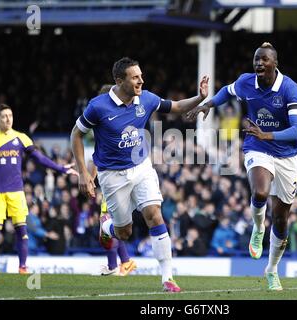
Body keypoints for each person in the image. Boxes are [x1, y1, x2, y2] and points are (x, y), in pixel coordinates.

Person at [71, 57, 208, 292]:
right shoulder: (98, 106)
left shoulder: (146, 98)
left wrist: (200, 98)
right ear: (119, 80)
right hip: (112, 175)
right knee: (124, 233)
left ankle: (168, 278)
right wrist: (83, 173)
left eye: (141, 76)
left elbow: (175, 107)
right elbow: (76, 134)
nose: (141, 81)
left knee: (154, 214)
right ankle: (107, 228)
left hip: (141, 166)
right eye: (135, 77)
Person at [187, 42, 297, 290]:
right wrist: (208, 104)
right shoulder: (245, 82)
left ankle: (272, 269)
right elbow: (227, 92)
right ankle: (258, 227)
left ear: (275, 63)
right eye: (256, 59)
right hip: (257, 147)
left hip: (286, 155)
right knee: (260, 192)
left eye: (264, 59)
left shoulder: (289, 89)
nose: (259, 63)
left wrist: (269, 135)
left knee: (282, 219)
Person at [0, 104, 78, 273]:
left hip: (16, 191)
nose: (8, 119)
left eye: (10, 115)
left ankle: (23, 267)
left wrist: (61, 168)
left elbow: (40, 158)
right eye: (4, 116)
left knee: (22, 229)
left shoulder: (21, 138)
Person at [91, 84, 137, 277]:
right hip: (114, 182)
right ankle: (120, 264)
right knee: (110, 224)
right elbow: (98, 155)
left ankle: (120, 264)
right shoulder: (109, 125)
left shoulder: (111, 125)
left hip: (117, 183)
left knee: (107, 224)